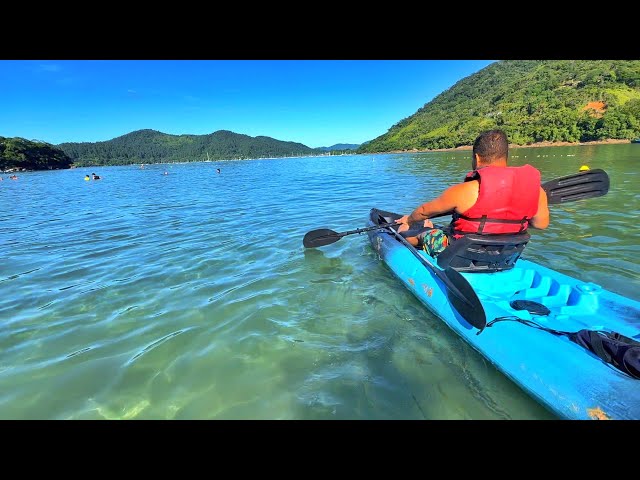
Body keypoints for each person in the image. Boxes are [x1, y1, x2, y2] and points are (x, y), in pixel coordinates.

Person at [396, 129, 550, 256]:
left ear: (476, 158)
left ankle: (405, 235)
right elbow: (541, 224)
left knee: (421, 234)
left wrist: (408, 221)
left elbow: (423, 212)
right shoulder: (538, 191)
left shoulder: (465, 191)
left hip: (462, 255)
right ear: (506, 156)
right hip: (504, 254)